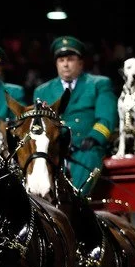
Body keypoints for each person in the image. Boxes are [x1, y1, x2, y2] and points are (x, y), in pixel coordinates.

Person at [33, 36, 118, 195]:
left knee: (86, 165)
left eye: (70, 59)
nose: (65, 64)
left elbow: (107, 118)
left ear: (80, 62)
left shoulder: (98, 84)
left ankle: (77, 206)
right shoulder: (42, 91)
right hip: (55, 148)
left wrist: (94, 137)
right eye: (61, 60)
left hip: (86, 147)